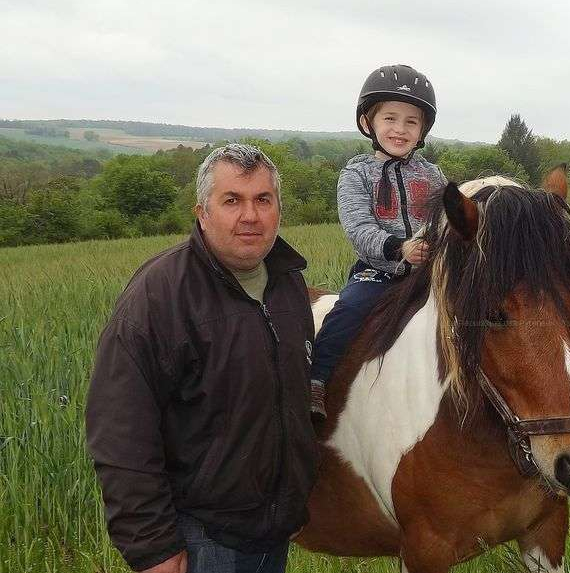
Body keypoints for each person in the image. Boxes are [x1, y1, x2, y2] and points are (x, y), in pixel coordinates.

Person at [86, 144, 318, 573]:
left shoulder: (287, 283)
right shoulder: (160, 296)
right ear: (202, 212)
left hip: (273, 533)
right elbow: (121, 431)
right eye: (232, 200)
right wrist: (153, 547)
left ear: (278, 210)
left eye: (262, 200)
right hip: (199, 539)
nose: (250, 215)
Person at [309, 64, 446, 421]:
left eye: (411, 122)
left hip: (428, 270)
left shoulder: (432, 175)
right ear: (368, 123)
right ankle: (317, 379)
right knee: (348, 309)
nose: (400, 129)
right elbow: (358, 226)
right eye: (390, 118)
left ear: (422, 131)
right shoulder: (356, 174)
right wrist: (399, 248)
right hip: (379, 271)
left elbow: (446, 220)